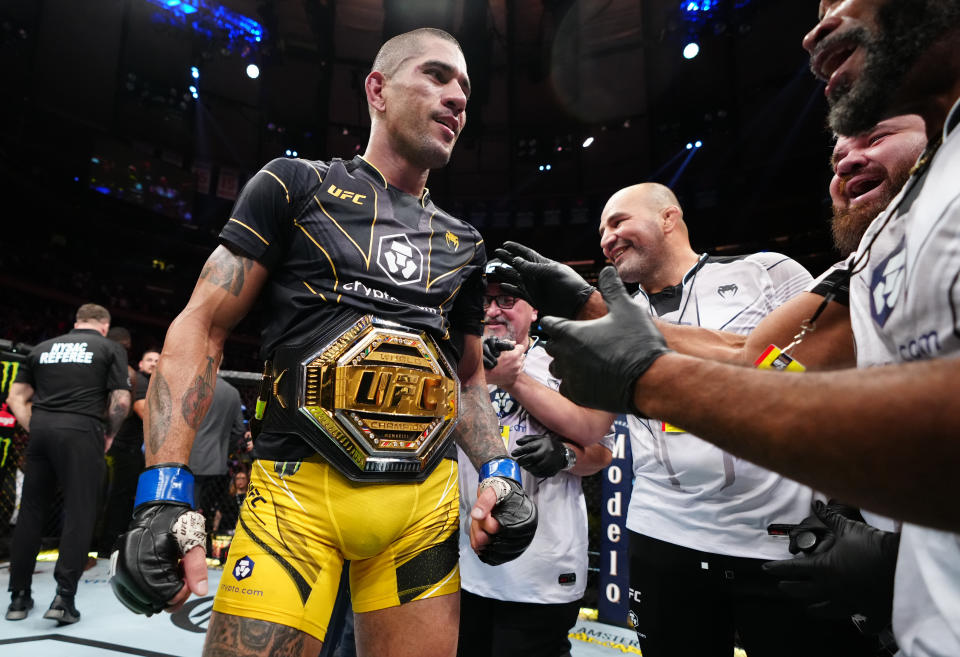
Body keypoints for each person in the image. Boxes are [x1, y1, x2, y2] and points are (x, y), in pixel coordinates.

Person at [510, 2, 960, 654]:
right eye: (837, 152)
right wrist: (592, 309)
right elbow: (757, 355)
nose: (817, 26)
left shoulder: (774, 267)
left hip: (770, 539)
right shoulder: (885, 237)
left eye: (872, 138)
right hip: (686, 539)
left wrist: (650, 380)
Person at [110, 27, 537, 657]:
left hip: (422, 511)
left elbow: (468, 382)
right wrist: (163, 492)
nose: (457, 99)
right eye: (438, 76)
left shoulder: (464, 244)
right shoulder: (294, 186)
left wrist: (502, 472)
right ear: (377, 90)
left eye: (466, 89)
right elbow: (202, 325)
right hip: (293, 502)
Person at [457, 260, 613, 657]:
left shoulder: (566, 362)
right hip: (467, 562)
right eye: (486, 300)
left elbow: (601, 452)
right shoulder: (458, 363)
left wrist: (563, 455)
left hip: (541, 567)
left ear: (534, 310)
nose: (493, 310)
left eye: (507, 300)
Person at [5, 303, 130, 624]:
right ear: (104, 326)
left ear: (77, 322)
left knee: (31, 511)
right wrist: (108, 436)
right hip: (83, 429)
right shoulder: (109, 347)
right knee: (80, 511)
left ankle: (18, 597)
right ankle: (63, 598)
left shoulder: (43, 348)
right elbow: (121, 400)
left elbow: (16, 396)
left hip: (43, 427)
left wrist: (37, 425)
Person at [97, 348, 158, 557]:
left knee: (122, 498)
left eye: (157, 361)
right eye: (149, 359)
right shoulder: (140, 382)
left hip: (128, 449)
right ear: (140, 364)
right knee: (118, 499)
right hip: (123, 449)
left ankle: (109, 545)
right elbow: (145, 413)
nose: (153, 363)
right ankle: (107, 546)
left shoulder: (152, 384)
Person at [187, 372, 246, 529]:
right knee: (205, 513)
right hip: (217, 464)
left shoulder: (190, 385)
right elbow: (239, 429)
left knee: (185, 511)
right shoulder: (232, 392)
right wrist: (225, 449)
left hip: (188, 461)